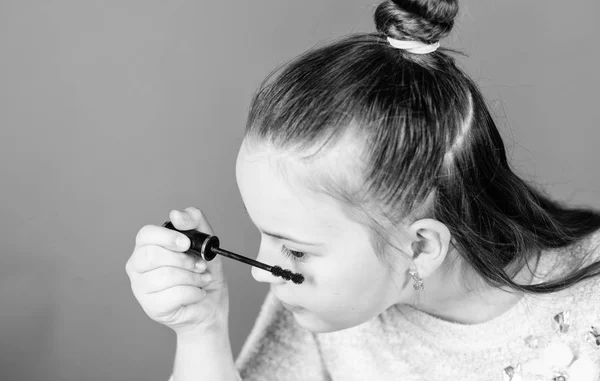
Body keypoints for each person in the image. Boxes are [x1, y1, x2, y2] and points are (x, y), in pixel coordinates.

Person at [125, 0, 600, 380]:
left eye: (294, 248)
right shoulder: (318, 310)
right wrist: (201, 330)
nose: (261, 272)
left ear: (420, 246)